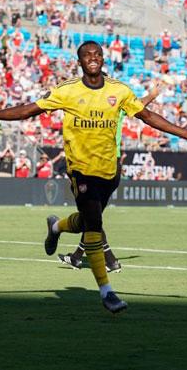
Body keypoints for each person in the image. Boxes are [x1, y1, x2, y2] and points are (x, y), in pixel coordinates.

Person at [0, 41, 187, 313]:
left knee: (87, 221)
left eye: (97, 54)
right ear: (79, 61)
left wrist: (185, 133)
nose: (92, 58)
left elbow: (147, 115)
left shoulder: (118, 90)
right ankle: (107, 292)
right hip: (80, 168)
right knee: (94, 222)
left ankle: (57, 227)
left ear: (103, 59)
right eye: (87, 55)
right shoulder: (67, 91)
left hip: (109, 170)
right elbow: (29, 110)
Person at [56, 78, 162, 272]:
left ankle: (110, 261)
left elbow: (139, 108)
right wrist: (152, 96)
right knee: (92, 217)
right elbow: (138, 106)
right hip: (112, 164)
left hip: (101, 165)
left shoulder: (108, 107)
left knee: (91, 216)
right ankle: (80, 258)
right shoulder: (117, 107)